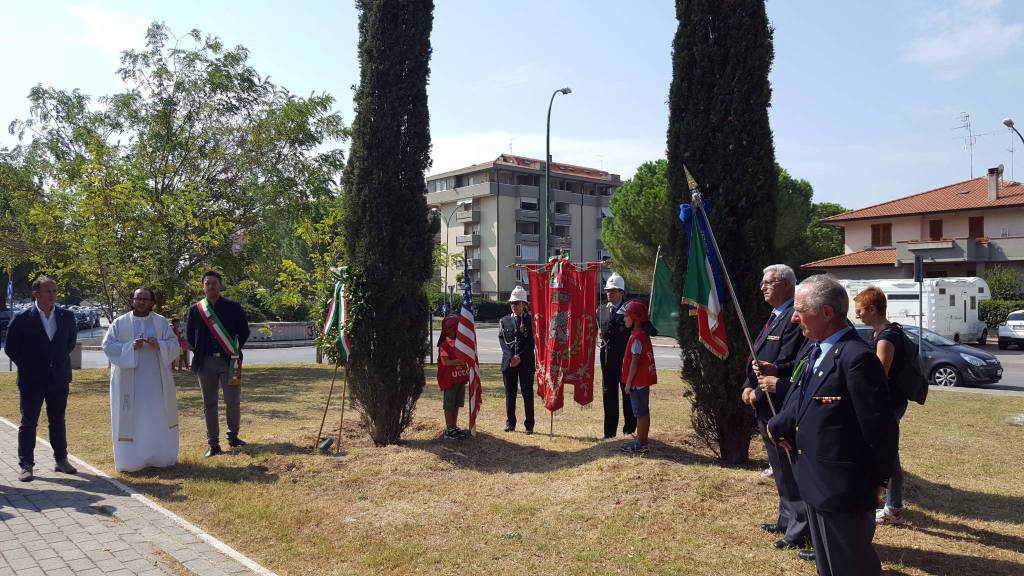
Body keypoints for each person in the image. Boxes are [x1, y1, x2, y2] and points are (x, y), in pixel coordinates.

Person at [767, 275, 898, 576]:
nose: (794, 317)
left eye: (800, 310)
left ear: (826, 313)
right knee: (829, 567)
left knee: (850, 567)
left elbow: (881, 429)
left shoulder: (856, 358)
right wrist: (778, 427)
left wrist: (876, 482)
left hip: (843, 488)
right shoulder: (818, 350)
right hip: (816, 481)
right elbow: (801, 401)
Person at [743, 264, 809, 552]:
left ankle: (799, 529)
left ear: (786, 285)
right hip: (764, 401)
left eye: (768, 282)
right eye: (762, 281)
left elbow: (788, 364)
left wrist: (758, 391)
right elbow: (758, 358)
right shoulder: (774, 317)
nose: (762, 287)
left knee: (789, 468)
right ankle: (785, 519)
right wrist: (747, 386)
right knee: (779, 468)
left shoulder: (793, 321)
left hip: (779, 402)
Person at [3, 276, 79, 482]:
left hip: (59, 378)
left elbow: (69, 344)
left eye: (55, 291)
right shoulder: (21, 318)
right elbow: (11, 348)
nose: (53, 295)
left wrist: (56, 362)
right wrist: (29, 366)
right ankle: (26, 465)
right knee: (29, 422)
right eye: (48, 291)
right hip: (32, 380)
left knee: (57, 420)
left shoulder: (67, 316)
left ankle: (61, 460)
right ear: (35, 294)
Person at [102, 287, 180, 472]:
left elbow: (174, 345)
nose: (142, 302)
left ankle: (160, 457)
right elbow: (108, 346)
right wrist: (130, 346)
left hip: (156, 382)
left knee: (156, 415)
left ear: (152, 302)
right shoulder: (120, 323)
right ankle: (131, 460)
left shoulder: (161, 323)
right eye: (139, 298)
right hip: (129, 383)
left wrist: (159, 344)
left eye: (146, 299)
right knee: (133, 418)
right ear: (132, 300)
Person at [854, 287, 909, 526]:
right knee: (887, 454)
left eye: (860, 311)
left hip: (889, 404)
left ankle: (893, 507)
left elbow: (879, 374)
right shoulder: (879, 333)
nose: (857, 316)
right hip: (888, 402)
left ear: (873, 309)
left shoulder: (886, 337)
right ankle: (889, 503)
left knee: (890, 456)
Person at [186, 271, 250, 457]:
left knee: (233, 401)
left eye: (214, 283)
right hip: (205, 363)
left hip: (230, 361)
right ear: (203, 286)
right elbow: (191, 335)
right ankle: (213, 444)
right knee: (209, 404)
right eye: (207, 283)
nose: (211, 286)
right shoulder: (196, 309)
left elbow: (243, 332)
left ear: (220, 285)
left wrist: (234, 350)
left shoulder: (234, 307)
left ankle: (234, 436)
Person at [598, 273, 636, 439]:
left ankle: (629, 430)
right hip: (607, 360)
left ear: (621, 292)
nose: (609, 293)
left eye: (613, 291)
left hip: (624, 361)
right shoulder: (601, 310)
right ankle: (609, 433)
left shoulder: (629, 310)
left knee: (627, 396)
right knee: (609, 396)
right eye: (607, 290)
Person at [620, 300, 657, 454]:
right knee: (643, 413)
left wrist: (628, 384)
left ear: (635, 318)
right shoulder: (641, 335)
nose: (624, 319)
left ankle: (641, 444)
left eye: (626, 316)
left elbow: (635, 362)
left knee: (640, 414)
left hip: (638, 383)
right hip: (642, 383)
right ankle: (642, 441)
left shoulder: (637, 338)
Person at [499, 285, 535, 434]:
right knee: (510, 393)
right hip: (509, 363)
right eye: (512, 303)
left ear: (524, 304)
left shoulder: (531, 320)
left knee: (527, 393)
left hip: (525, 363)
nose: (514, 305)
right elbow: (502, 341)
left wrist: (519, 357)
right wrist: (511, 357)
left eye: (517, 303)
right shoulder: (504, 321)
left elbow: (531, 342)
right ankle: (510, 422)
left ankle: (529, 424)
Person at [437, 315, 469, 439]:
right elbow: (445, 362)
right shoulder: (444, 344)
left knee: (456, 404)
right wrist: (460, 361)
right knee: (449, 404)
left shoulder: (461, 342)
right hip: (449, 379)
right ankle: (449, 429)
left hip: (460, 378)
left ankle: (454, 427)